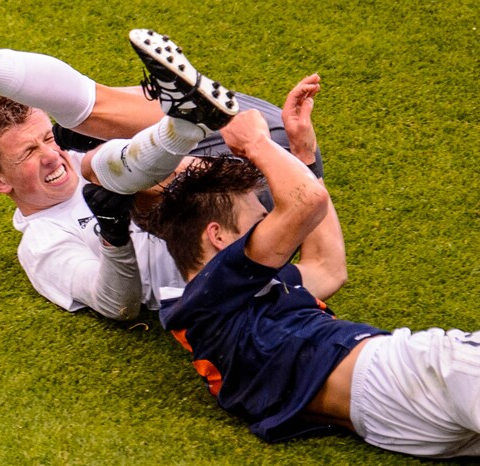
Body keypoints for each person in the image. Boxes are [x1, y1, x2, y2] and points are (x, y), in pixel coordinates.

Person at [137, 75, 480, 458]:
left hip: (392, 420)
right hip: (402, 373)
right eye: (260, 217)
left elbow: (328, 266)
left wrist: (302, 155)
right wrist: (254, 143)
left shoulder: (232, 307)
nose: (271, 222)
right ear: (218, 237)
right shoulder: (207, 300)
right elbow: (306, 203)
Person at [0, 29, 262, 320]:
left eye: (47, 139)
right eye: (29, 152)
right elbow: (117, 305)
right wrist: (113, 235)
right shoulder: (42, 244)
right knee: (96, 142)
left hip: (255, 162)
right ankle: (182, 124)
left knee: (95, 124)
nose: (51, 156)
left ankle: (182, 121)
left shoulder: (84, 157)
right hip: (239, 255)